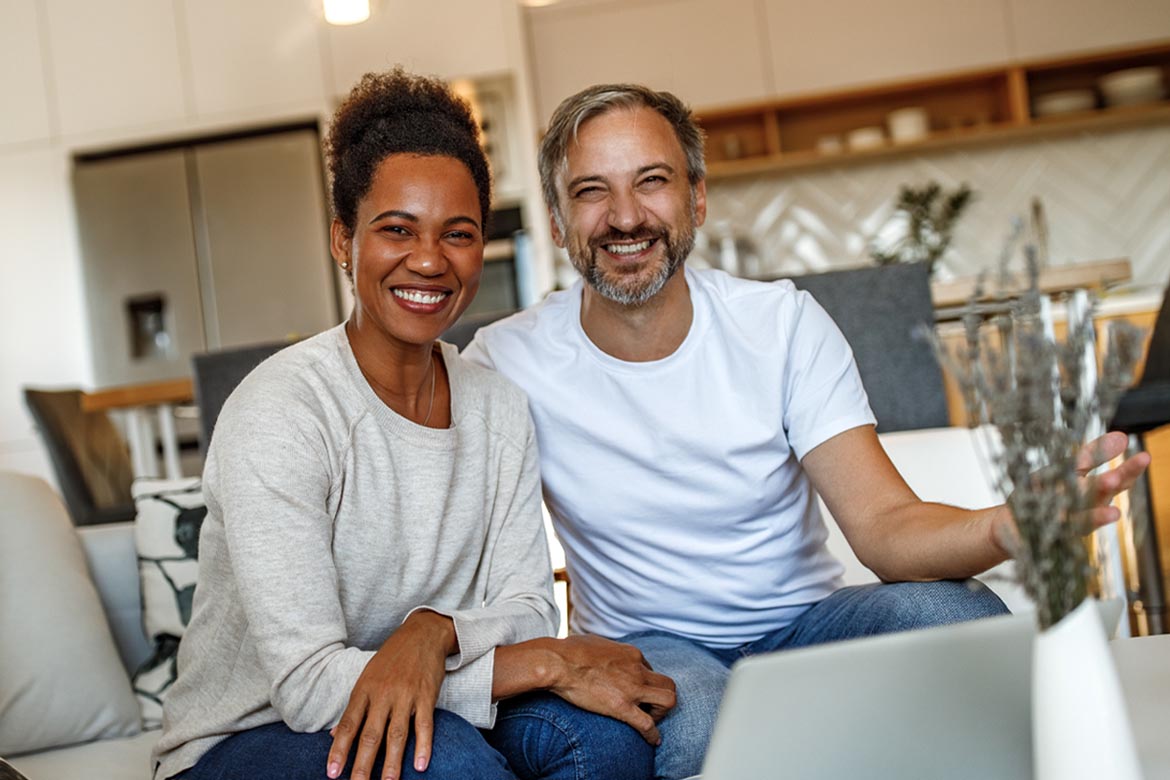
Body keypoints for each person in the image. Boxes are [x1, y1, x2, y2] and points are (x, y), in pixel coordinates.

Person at [462, 83, 1152, 779]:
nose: (625, 216)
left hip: (807, 624)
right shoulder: (506, 359)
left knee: (961, 616)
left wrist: (1005, 527)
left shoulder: (781, 325)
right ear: (555, 220)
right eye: (590, 192)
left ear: (697, 198)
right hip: (645, 646)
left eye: (653, 182)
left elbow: (886, 524)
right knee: (699, 725)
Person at [152, 71, 676, 780]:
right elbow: (308, 687)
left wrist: (434, 634)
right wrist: (550, 664)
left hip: (425, 698)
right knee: (449, 762)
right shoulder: (282, 411)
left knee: (611, 743)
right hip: (246, 736)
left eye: (456, 234)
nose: (428, 260)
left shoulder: (497, 406)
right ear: (344, 240)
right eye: (397, 230)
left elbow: (526, 607)